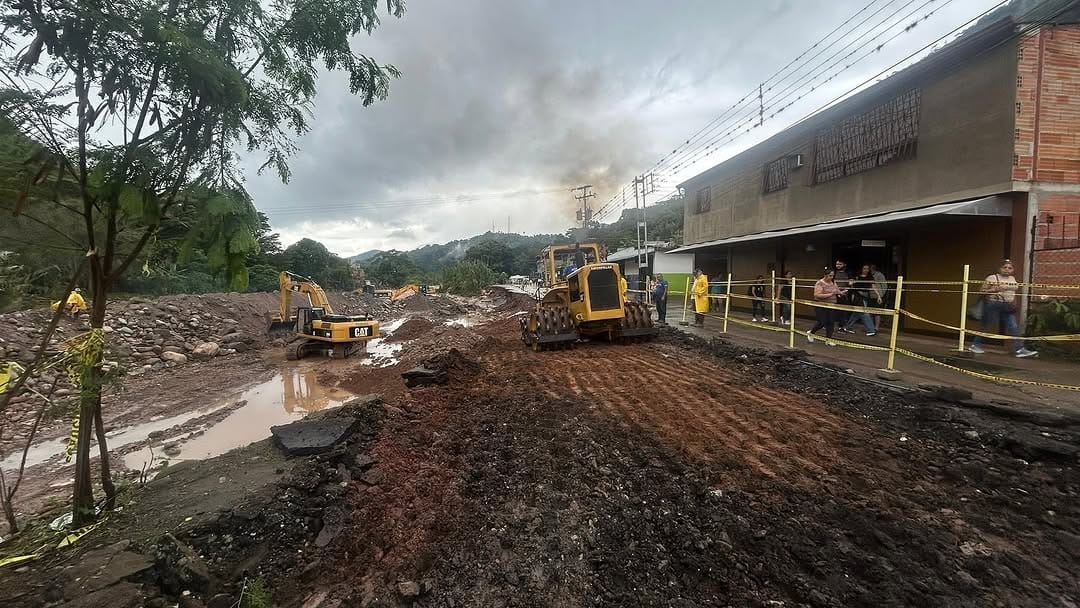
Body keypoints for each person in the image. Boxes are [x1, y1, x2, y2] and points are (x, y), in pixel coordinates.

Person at [968, 259, 1038, 358]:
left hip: (1007, 306)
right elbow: (981, 291)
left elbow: (1013, 293)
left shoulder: (1012, 279)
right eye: (1004, 267)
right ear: (999, 268)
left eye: (1010, 268)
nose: (1007, 269)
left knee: (1013, 326)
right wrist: (994, 289)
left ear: (1013, 270)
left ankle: (1019, 349)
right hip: (993, 304)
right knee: (986, 326)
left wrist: (1014, 302)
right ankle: (975, 345)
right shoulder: (992, 278)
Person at [808, 268, 846, 345]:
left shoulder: (833, 282)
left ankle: (828, 339)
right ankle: (811, 333)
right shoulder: (819, 283)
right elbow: (817, 295)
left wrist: (841, 293)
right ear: (825, 275)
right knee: (822, 322)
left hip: (832, 305)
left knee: (831, 322)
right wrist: (831, 294)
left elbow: (837, 291)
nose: (831, 277)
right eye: (830, 276)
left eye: (832, 276)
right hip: (821, 305)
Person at [843, 265, 878, 336]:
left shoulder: (870, 277)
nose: (866, 270)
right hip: (857, 295)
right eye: (864, 268)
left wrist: (878, 296)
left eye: (867, 269)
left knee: (857, 312)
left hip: (866, 295)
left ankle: (848, 327)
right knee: (864, 312)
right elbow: (850, 284)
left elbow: (873, 286)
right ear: (861, 269)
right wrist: (851, 283)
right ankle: (871, 330)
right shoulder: (857, 276)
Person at [833, 259, 853, 331]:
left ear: (844, 265)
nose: (837, 266)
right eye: (837, 264)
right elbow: (832, 283)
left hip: (844, 294)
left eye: (840, 264)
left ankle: (841, 326)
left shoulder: (848, 273)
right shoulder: (834, 272)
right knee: (832, 309)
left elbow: (851, 284)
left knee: (843, 311)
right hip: (834, 293)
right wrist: (837, 292)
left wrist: (845, 291)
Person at [871, 264, 889, 330]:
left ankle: (876, 327)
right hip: (870, 296)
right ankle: (871, 326)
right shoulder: (869, 276)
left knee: (877, 312)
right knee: (871, 311)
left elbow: (884, 286)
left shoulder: (879, 275)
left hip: (878, 296)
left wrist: (881, 295)